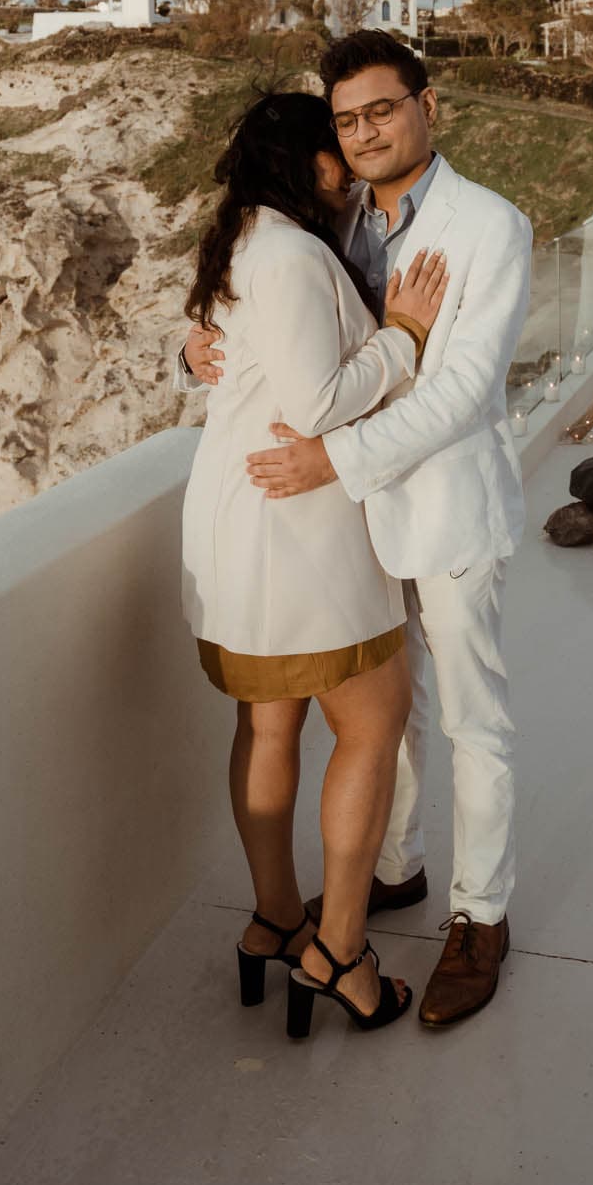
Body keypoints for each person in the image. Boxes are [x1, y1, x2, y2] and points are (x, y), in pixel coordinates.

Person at [184, 32, 533, 1027]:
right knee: (391, 718)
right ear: (329, 135)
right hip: (340, 530)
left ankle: (481, 915)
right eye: (348, 118)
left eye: (384, 108)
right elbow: (273, 319)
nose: (367, 130)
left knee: (472, 716)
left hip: (439, 505)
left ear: (429, 106)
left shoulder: (489, 226)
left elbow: (463, 389)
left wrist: (334, 460)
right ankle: (394, 867)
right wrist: (194, 341)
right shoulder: (330, 219)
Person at [179, 91, 449, 1038]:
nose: (348, 161)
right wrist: (404, 337)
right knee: (371, 727)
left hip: (240, 521)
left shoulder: (243, 240)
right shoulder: (293, 255)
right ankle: (339, 952)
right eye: (333, 146)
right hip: (296, 529)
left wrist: (188, 352)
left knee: (269, 728)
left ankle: (271, 920)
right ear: (303, 161)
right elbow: (319, 397)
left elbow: (231, 361)